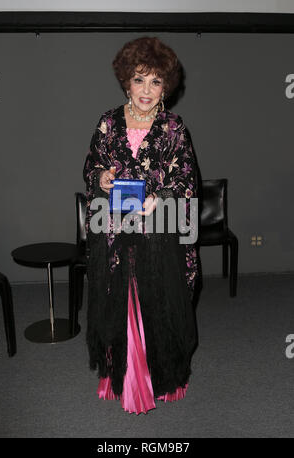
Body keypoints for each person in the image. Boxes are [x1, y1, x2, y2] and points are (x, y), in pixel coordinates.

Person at [83, 36, 202, 415]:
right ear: (126, 81)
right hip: (114, 232)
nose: (147, 90)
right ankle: (122, 380)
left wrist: (161, 198)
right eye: (139, 80)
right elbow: (91, 166)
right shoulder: (108, 123)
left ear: (165, 86)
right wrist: (100, 177)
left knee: (157, 305)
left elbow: (185, 179)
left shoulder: (173, 128)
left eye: (155, 82)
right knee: (119, 304)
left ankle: (160, 382)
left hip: (158, 235)